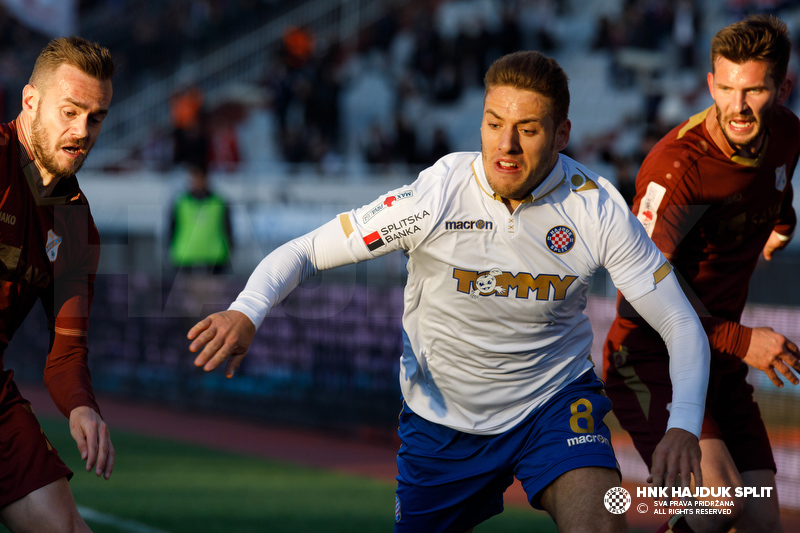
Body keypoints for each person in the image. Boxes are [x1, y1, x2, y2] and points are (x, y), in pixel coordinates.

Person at [188, 50, 711, 532]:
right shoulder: (435, 196)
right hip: (441, 424)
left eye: (527, 130)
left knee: (601, 524)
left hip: (553, 405)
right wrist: (247, 311)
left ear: (561, 134)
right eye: (493, 124)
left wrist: (684, 424)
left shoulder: (597, 208)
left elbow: (680, 322)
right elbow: (305, 251)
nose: (505, 146)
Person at [603, 14, 800, 533]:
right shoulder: (677, 171)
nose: (737, 107)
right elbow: (635, 298)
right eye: (726, 88)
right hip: (648, 359)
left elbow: (778, 188)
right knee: (717, 507)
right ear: (710, 83)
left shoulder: (786, 134)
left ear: (783, 87)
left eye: (754, 90)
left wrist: (783, 226)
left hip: (721, 368)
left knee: (762, 523)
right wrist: (741, 339)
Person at [0, 37, 115, 531]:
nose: (81, 131)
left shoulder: (76, 225)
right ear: (31, 101)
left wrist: (82, 407)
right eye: (70, 111)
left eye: (95, 118)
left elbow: (66, 353)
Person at [168, 163, 234, 274]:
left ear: (206, 179)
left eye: (200, 178)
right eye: (194, 178)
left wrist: (230, 250)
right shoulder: (180, 203)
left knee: (214, 290)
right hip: (184, 256)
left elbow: (228, 228)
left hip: (215, 257)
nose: (197, 182)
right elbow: (172, 228)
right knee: (186, 290)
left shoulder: (219, 202)